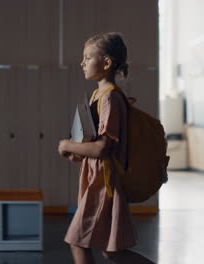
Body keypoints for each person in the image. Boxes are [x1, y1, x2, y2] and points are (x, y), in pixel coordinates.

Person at [58, 32, 154, 264]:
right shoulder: (97, 95)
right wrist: (78, 154)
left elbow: (103, 149)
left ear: (106, 62)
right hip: (96, 179)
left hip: (104, 184)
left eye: (88, 57)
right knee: (111, 251)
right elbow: (95, 147)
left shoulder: (110, 98)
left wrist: (66, 144)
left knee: (77, 241)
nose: (82, 63)